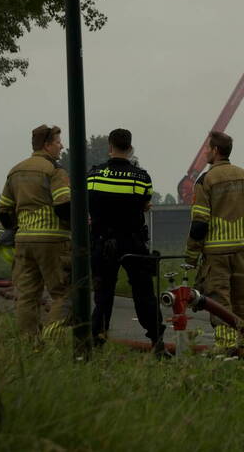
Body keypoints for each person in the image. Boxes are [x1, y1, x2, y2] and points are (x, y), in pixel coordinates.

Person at [87, 128, 166, 354]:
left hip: (102, 243)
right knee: (144, 294)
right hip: (133, 242)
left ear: (109, 147)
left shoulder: (93, 175)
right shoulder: (142, 177)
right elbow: (144, 202)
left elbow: (89, 204)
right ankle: (156, 342)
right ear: (130, 149)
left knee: (103, 295)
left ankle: (97, 342)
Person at [184, 131, 244, 353]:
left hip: (216, 254)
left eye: (208, 148)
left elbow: (199, 223)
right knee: (243, 299)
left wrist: (191, 256)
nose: (206, 152)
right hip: (242, 251)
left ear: (216, 151)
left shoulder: (205, 180)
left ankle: (226, 345)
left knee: (219, 300)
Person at [0, 125, 72, 339]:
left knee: (27, 295)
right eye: (58, 143)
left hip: (23, 241)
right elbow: (63, 206)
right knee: (63, 293)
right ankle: (52, 338)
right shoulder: (55, 171)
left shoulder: (15, 171)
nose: (61, 147)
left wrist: (18, 227)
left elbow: (4, 211)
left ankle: (29, 344)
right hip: (53, 241)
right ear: (47, 145)